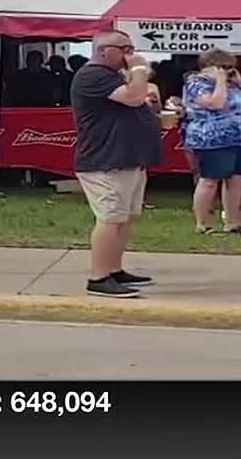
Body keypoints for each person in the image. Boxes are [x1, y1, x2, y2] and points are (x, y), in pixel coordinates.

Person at [71, 31, 162, 299]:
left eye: (131, 49)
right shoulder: (93, 75)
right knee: (110, 218)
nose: (130, 54)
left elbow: (134, 100)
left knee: (124, 218)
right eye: (124, 48)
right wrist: (139, 69)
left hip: (126, 158)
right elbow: (133, 97)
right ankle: (98, 277)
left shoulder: (112, 76)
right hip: (106, 160)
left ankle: (114, 269)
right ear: (103, 50)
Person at [182, 50, 241, 235]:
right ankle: (203, 223)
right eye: (224, 67)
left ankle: (233, 222)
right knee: (210, 180)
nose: (228, 71)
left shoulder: (232, 84)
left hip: (239, 137)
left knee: (235, 180)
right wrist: (220, 81)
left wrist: (240, 82)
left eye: (231, 67)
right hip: (212, 138)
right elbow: (215, 103)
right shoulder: (196, 83)